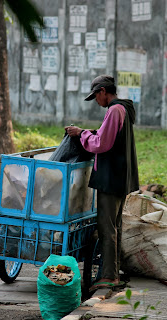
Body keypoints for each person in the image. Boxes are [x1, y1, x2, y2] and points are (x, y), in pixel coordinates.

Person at [65, 75, 139, 289]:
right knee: (115, 226)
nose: (96, 101)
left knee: (107, 228)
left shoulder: (115, 110)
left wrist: (82, 134)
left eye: (96, 96)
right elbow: (108, 136)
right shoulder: (122, 109)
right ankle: (113, 272)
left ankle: (108, 276)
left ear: (104, 91)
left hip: (111, 178)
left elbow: (102, 143)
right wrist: (87, 133)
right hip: (120, 177)